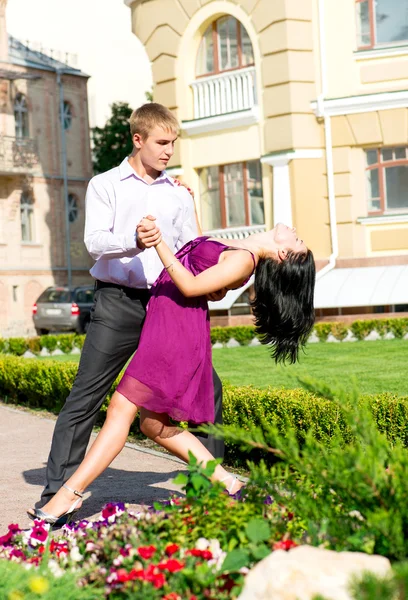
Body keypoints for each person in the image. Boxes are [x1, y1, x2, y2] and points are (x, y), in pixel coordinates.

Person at [28, 221, 316, 526]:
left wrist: (158, 242)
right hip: (167, 328)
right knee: (153, 425)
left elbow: (190, 285)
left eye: (298, 240)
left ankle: (70, 493)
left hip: (175, 335)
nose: (296, 230)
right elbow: (203, 254)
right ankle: (229, 484)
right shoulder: (242, 250)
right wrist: (189, 201)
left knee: (120, 410)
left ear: (283, 254)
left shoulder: (245, 261)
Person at [38, 103, 225, 512]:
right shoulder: (105, 185)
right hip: (118, 303)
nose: (168, 151)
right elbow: (95, 242)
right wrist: (134, 239)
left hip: (168, 303)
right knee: (86, 397)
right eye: (161, 142)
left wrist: (213, 281)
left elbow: (190, 249)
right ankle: (56, 495)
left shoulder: (176, 192)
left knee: (207, 390)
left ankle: (208, 492)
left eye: (173, 143)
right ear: (137, 139)